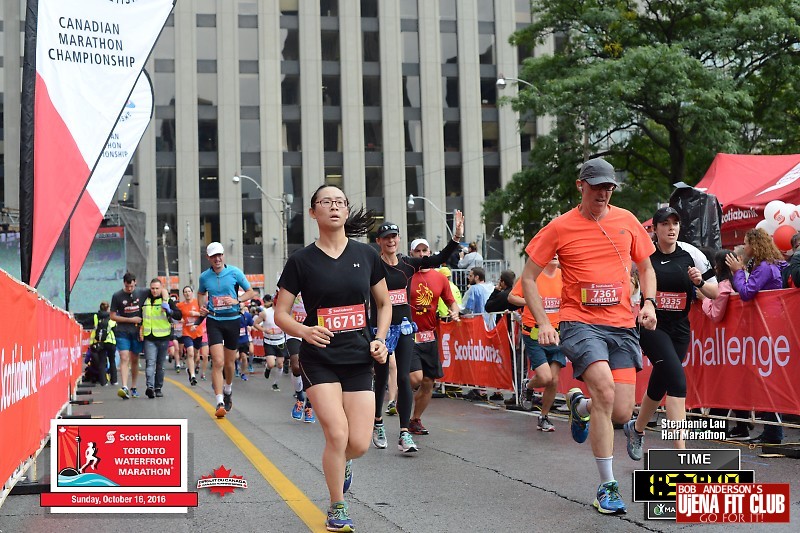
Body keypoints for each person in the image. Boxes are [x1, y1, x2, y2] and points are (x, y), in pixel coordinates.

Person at [520, 157, 657, 515]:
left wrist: (650, 302)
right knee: (606, 390)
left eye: (609, 186)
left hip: (622, 325)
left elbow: (645, 266)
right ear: (581, 185)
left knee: (621, 410)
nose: (603, 192)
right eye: (596, 185)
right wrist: (544, 322)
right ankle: (607, 486)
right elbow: (530, 277)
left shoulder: (627, 221)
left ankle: (579, 406)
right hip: (579, 322)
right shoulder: (560, 227)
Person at [274, 185, 391, 532]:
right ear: (313, 213)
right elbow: (280, 313)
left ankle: (344, 463)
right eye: (326, 202)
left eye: (340, 202)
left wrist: (381, 339)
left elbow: (383, 304)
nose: (335, 207)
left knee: (358, 443)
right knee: (337, 435)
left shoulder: (366, 255)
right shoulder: (301, 260)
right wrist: (304, 331)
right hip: (319, 358)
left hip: (358, 356)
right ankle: (336, 504)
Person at [622, 207, 719, 460]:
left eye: (675, 223)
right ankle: (682, 457)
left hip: (680, 330)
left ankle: (637, 428)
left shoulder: (691, 255)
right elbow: (628, 286)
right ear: (655, 229)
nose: (672, 228)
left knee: (661, 382)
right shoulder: (645, 257)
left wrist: (699, 282)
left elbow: (715, 292)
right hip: (652, 328)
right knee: (677, 381)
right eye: (665, 224)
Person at [371, 214, 464, 453]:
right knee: (381, 379)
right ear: (379, 241)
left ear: (399, 240)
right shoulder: (373, 265)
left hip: (404, 327)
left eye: (394, 237)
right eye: (386, 238)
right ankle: (378, 423)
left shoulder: (409, 264)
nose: (390, 241)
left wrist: (456, 238)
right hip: (380, 329)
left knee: (404, 378)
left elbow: (440, 258)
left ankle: (404, 434)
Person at [726, 227, 788, 445]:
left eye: (746, 243)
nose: (744, 247)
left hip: (768, 327)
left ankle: (774, 433)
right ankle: (771, 432)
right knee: (768, 378)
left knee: (769, 379)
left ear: (755, 245)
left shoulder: (764, 267)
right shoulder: (770, 265)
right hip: (770, 327)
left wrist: (738, 271)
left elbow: (746, 293)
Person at [198, 242, 258, 418]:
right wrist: (202, 306)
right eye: (213, 256)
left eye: (220, 255)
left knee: (230, 363)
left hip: (233, 321)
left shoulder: (234, 272)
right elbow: (201, 294)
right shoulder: (204, 277)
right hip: (214, 320)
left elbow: (251, 292)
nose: (217, 259)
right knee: (217, 361)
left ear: (223, 256)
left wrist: (237, 301)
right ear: (208, 258)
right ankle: (219, 401)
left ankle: (228, 389)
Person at [406, 238, 460, 436]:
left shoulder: (440, 278)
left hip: (430, 336)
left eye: (425, 250)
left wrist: (455, 311)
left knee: (428, 382)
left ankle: (415, 419)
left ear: (430, 252)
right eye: (417, 251)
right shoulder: (406, 275)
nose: (422, 254)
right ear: (411, 254)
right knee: (415, 378)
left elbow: (451, 301)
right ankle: (400, 396)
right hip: (409, 335)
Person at [508, 256, 566, 432]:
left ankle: (544, 417)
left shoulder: (564, 275)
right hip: (534, 333)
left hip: (557, 334)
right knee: (545, 377)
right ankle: (528, 385)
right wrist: (530, 301)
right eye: (552, 253)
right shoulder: (532, 276)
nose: (555, 255)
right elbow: (512, 297)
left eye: (558, 253)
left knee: (554, 380)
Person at [110, 272, 163, 399]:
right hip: (122, 331)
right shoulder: (117, 296)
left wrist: (165, 300)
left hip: (137, 332)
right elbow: (112, 316)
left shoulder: (142, 292)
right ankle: (124, 387)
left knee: (135, 359)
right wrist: (130, 320)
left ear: (135, 283)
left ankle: (133, 386)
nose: (129, 289)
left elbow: (162, 291)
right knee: (124, 357)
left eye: (132, 286)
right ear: (124, 283)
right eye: (127, 287)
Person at [141, 278, 183, 399]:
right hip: (149, 336)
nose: (154, 291)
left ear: (161, 288)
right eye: (152, 288)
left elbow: (179, 315)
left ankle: (158, 388)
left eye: (157, 288)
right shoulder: (145, 300)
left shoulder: (167, 300)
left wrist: (169, 311)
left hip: (164, 337)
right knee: (150, 362)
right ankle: (150, 387)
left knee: (160, 364)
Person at [254, 294, 288, 391]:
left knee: (280, 364)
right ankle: (268, 368)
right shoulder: (265, 313)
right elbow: (255, 324)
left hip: (281, 341)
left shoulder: (284, 312)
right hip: (269, 341)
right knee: (271, 363)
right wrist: (264, 330)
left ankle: (275, 383)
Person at [176, 285, 206, 386]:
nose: (187, 293)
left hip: (197, 332)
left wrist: (195, 313)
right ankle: (193, 376)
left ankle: (192, 368)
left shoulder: (197, 302)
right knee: (190, 353)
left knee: (196, 355)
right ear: (183, 294)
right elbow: (176, 315)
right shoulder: (180, 305)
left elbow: (204, 314)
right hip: (186, 332)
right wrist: (179, 319)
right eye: (185, 292)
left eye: (189, 291)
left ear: (192, 293)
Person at [91, 302, 117, 386]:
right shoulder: (111, 317)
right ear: (108, 308)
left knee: (102, 362)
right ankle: (114, 380)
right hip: (110, 341)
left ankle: (103, 381)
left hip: (100, 342)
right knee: (112, 361)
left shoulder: (95, 316)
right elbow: (115, 329)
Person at [235, 303, 255, 381]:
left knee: (244, 357)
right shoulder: (233, 315)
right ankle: (236, 366)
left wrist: (256, 328)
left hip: (244, 339)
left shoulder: (247, 315)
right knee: (235, 357)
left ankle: (243, 373)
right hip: (235, 339)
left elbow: (252, 323)